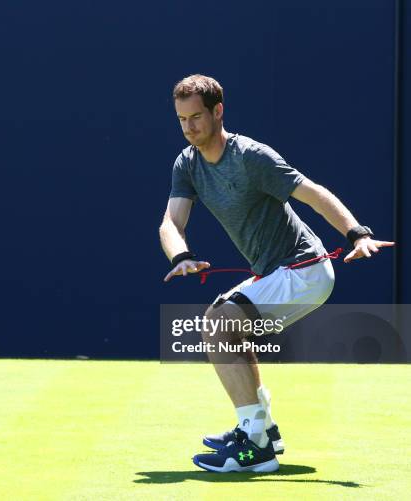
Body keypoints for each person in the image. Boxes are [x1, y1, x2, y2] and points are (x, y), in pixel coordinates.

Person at [160, 74, 393, 472]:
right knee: (226, 323)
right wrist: (180, 255)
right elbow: (170, 222)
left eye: (196, 117)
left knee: (217, 325)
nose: (189, 128)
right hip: (277, 271)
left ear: (218, 111)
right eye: (182, 120)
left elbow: (314, 193)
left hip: (305, 269)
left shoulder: (252, 157)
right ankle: (262, 430)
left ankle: (255, 445)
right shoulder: (188, 163)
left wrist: (357, 234)